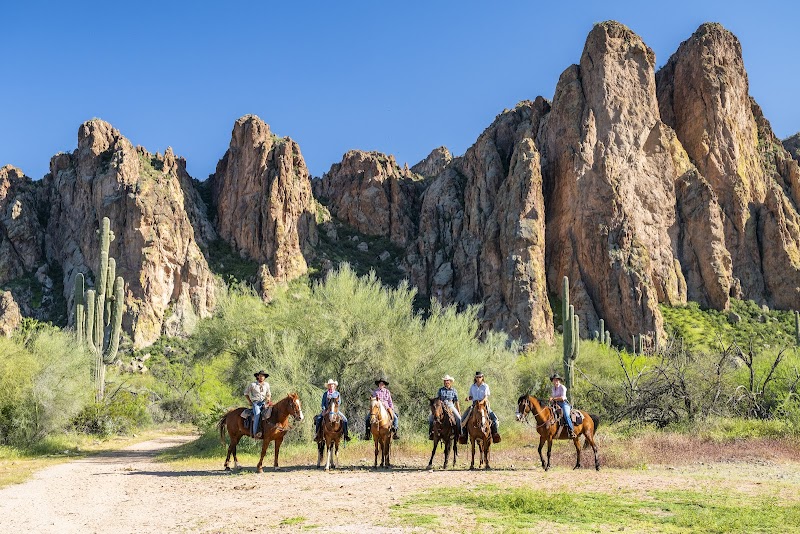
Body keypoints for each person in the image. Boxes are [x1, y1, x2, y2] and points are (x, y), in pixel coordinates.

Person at [460, 371, 500, 443]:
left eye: (480, 377)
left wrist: (480, 403)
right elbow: (471, 396)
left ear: (482, 377)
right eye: (477, 377)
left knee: (494, 419)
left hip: (483, 404)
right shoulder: (473, 386)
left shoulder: (485, 386)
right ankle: (464, 436)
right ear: (475, 378)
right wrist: (468, 398)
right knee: (463, 419)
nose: (478, 378)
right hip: (474, 405)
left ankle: (495, 434)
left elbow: (486, 397)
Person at [428, 374, 461, 439]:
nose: (446, 382)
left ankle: (459, 434)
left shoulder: (454, 390)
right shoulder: (441, 390)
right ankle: (431, 433)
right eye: (445, 381)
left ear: (450, 382)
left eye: (447, 380)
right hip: (442, 406)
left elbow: (456, 401)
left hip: (450, 405)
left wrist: (459, 411)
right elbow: (438, 399)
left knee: (459, 418)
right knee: (430, 418)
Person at [244, 370, 271, 439]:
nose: (262, 377)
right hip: (256, 403)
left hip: (264, 403)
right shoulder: (253, 385)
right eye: (261, 375)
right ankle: (255, 433)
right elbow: (246, 393)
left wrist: (268, 400)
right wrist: (250, 401)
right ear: (258, 376)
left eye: (263, 376)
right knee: (257, 414)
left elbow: (269, 394)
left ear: (264, 377)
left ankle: (267, 431)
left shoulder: (266, 385)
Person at [549, 373, 576, 438]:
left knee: (566, 415)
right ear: (553, 381)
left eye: (557, 380)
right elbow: (553, 397)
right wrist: (551, 400)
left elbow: (562, 398)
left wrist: (553, 398)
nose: (556, 381)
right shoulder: (553, 388)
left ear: (559, 381)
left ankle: (571, 430)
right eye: (555, 380)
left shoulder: (562, 387)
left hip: (564, 403)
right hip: (555, 404)